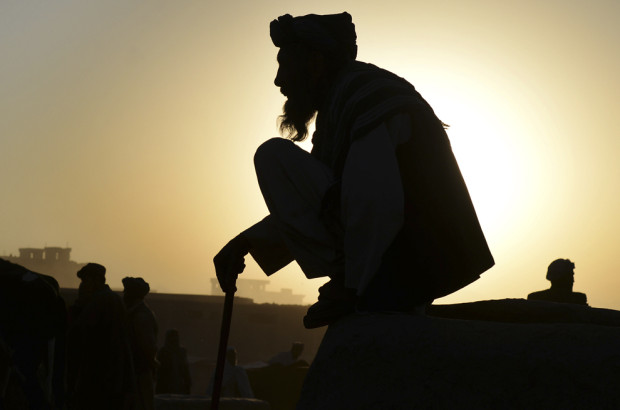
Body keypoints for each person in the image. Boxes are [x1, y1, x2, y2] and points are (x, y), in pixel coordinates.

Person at [213, 12, 494, 329]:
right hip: (392, 263)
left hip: (408, 265)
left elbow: (372, 202)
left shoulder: (367, 98)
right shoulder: (343, 106)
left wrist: (358, 290)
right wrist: (246, 242)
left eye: (286, 66)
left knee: (272, 155)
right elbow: (322, 200)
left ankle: (355, 282)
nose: (279, 80)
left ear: (316, 63)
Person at [66, 263, 135, 410]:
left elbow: (78, 334)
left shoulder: (99, 301)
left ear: (96, 281)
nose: (82, 286)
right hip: (113, 378)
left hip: (99, 378)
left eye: (85, 281)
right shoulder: (113, 300)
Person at [123, 277, 158, 410]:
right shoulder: (133, 312)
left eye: (127, 291)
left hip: (139, 371)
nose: (124, 294)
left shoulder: (141, 315)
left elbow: (148, 346)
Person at [155, 329, 191, 395]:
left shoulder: (181, 352)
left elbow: (185, 370)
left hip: (176, 386)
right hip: (166, 386)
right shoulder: (163, 352)